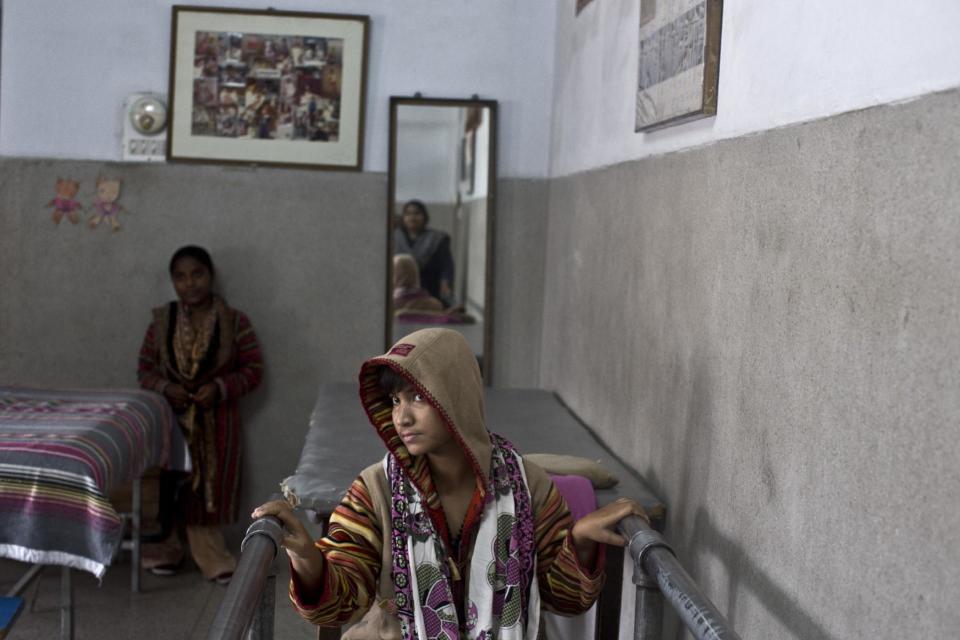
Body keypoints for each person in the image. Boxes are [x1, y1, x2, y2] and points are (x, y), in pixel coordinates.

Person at [253, 328, 646, 638]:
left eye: (417, 399)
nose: (401, 417)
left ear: (454, 398)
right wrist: (305, 555)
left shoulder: (530, 487)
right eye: (394, 402)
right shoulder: (376, 490)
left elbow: (566, 599)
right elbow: (339, 604)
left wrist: (578, 540)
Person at [138, 245, 264, 584]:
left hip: (217, 421)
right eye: (180, 277)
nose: (189, 283)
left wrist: (219, 388)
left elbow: (253, 370)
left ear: (210, 276)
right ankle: (169, 549)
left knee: (210, 488)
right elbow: (145, 370)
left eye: (197, 274)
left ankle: (211, 555)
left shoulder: (234, 321)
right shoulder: (162, 321)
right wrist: (167, 388)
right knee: (172, 486)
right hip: (173, 422)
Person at [394, 200, 455, 305]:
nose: (412, 217)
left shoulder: (437, 239)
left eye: (417, 213)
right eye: (408, 214)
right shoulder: (393, 238)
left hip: (429, 290)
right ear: (403, 218)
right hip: (399, 292)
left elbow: (446, 265)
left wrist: (445, 284)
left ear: (425, 217)